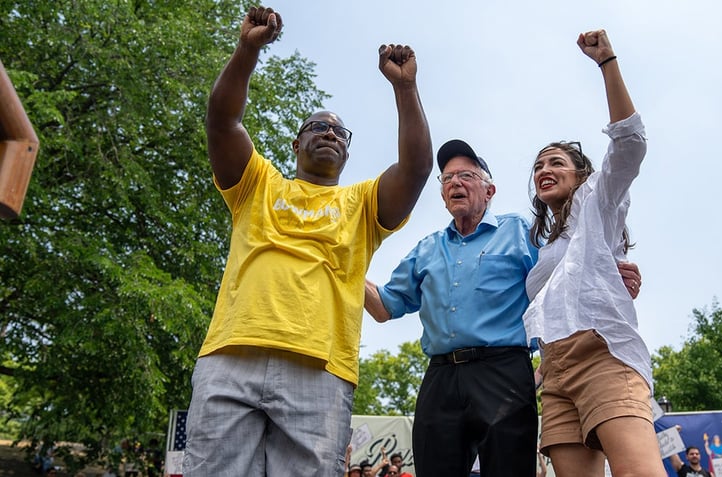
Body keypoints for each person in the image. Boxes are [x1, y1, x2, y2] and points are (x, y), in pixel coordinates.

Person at [182, 5, 432, 477]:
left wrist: (405, 87)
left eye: (340, 131)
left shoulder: (362, 206)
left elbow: (417, 169)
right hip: (231, 355)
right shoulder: (257, 184)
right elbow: (222, 121)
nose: (330, 133)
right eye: (318, 126)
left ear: (347, 150)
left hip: (319, 369)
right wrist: (247, 48)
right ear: (296, 145)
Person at [365, 139, 641, 477]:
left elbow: (569, 262)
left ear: (489, 189)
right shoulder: (426, 249)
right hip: (440, 377)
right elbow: (384, 307)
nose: (454, 182)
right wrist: (343, 267)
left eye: (466, 175)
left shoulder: (522, 232)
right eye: (447, 178)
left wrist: (612, 268)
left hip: (504, 372)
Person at [521, 30, 665, 477]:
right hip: (556, 371)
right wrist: (542, 373)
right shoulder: (544, 247)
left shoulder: (596, 203)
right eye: (539, 165)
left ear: (582, 175)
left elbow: (631, 145)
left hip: (601, 352)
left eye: (556, 162)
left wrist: (607, 62)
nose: (545, 169)